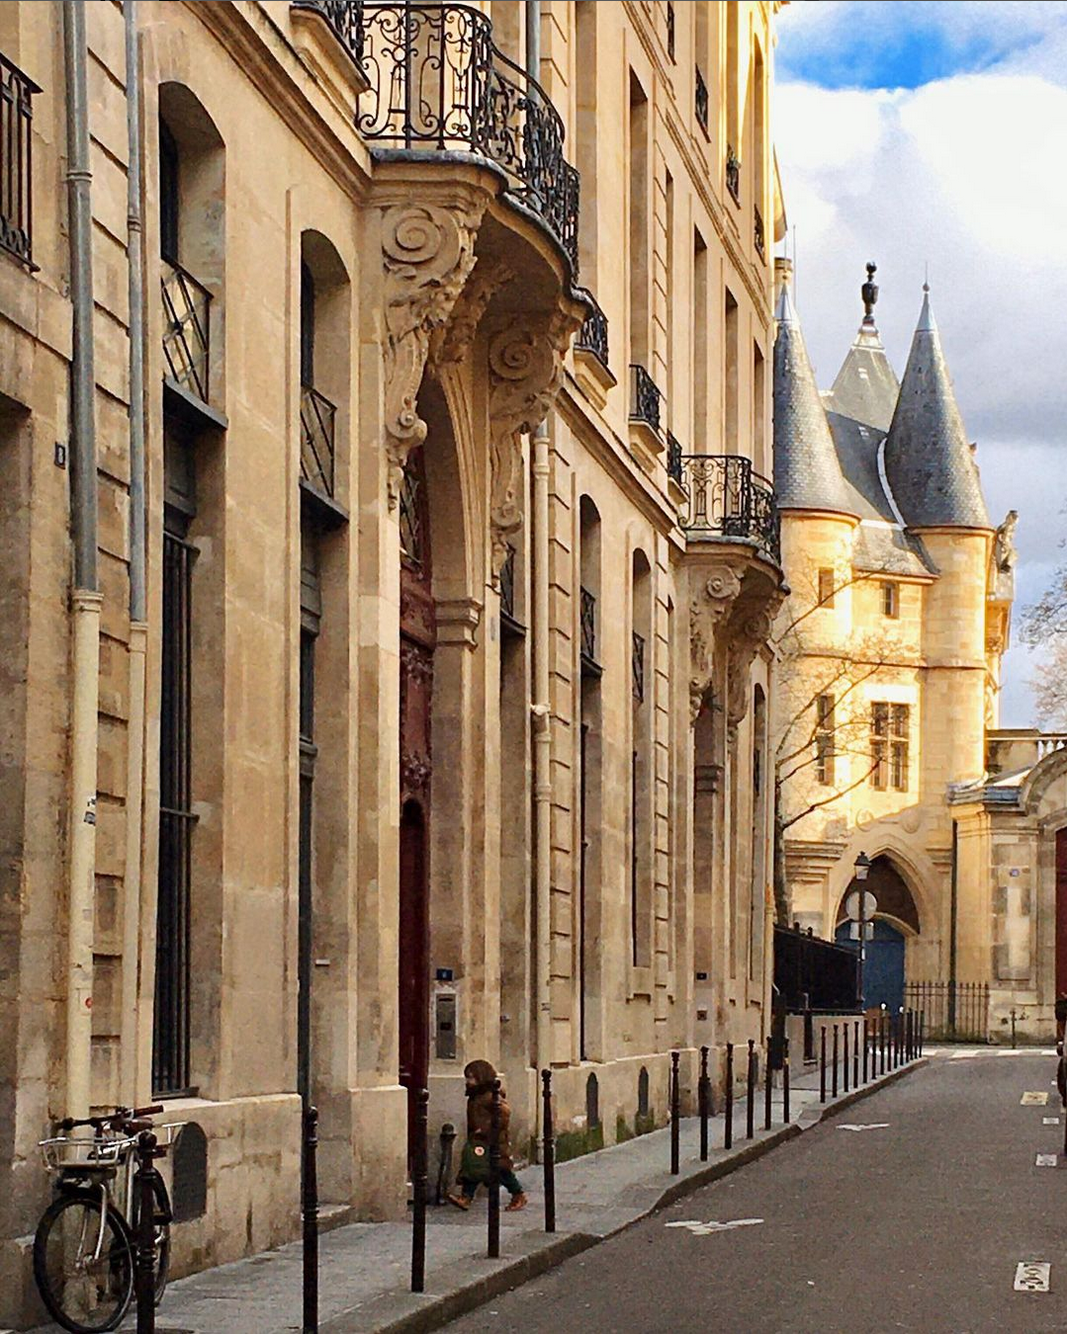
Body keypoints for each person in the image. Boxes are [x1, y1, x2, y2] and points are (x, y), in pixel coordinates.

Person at [448, 1059, 528, 1212]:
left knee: (501, 1170)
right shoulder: (475, 1095)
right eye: (467, 1078)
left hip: (493, 1140)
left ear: (481, 1077)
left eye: (471, 1077)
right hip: (479, 1140)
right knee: (472, 1167)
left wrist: (485, 1130)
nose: (468, 1081)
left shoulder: (489, 1095)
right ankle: (466, 1197)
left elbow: (504, 1114)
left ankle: (518, 1194)